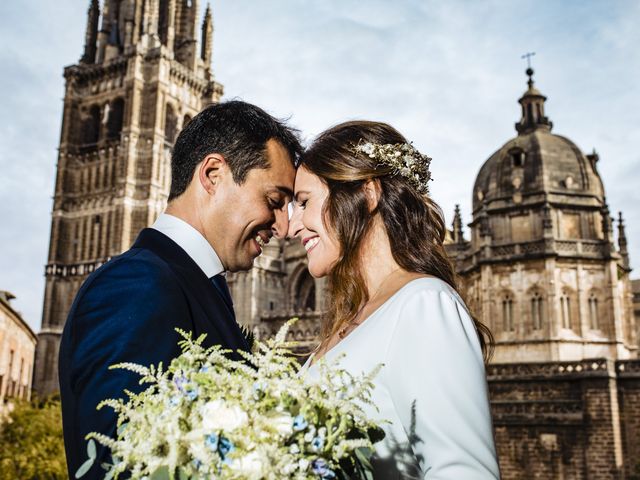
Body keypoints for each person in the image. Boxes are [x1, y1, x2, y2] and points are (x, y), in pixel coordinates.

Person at [59, 101, 301, 479]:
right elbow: (114, 463)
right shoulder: (137, 286)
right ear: (213, 174)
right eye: (274, 202)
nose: (285, 228)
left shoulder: (197, 286)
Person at [289, 120, 500, 478]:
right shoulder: (353, 318)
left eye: (304, 202)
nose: (292, 227)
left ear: (367, 194)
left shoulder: (424, 306)